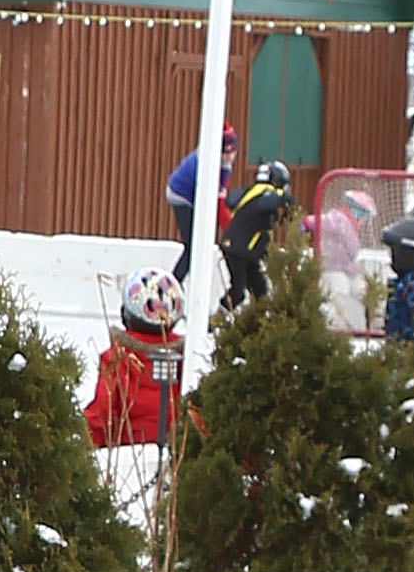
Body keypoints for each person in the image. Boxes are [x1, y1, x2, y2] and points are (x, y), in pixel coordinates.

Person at [84, 269, 185, 447]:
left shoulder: (116, 359)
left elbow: (102, 413)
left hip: (127, 455)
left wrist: (84, 444)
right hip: (175, 451)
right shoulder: (184, 359)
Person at [168, 126, 240, 279]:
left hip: (195, 195)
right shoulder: (208, 164)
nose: (231, 157)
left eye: (233, 152)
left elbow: (219, 197)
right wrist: (231, 231)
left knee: (197, 245)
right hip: (181, 195)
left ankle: (179, 280)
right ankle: (174, 282)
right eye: (227, 153)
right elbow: (218, 202)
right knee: (193, 246)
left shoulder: (222, 164)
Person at [221, 158, 295, 305]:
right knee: (238, 292)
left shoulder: (251, 190)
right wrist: (288, 206)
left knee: (259, 291)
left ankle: (256, 323)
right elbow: (271, 202)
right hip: (241, 249)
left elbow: (230, 200)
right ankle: (212, 322)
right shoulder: (268, 193)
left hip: (240, 248)